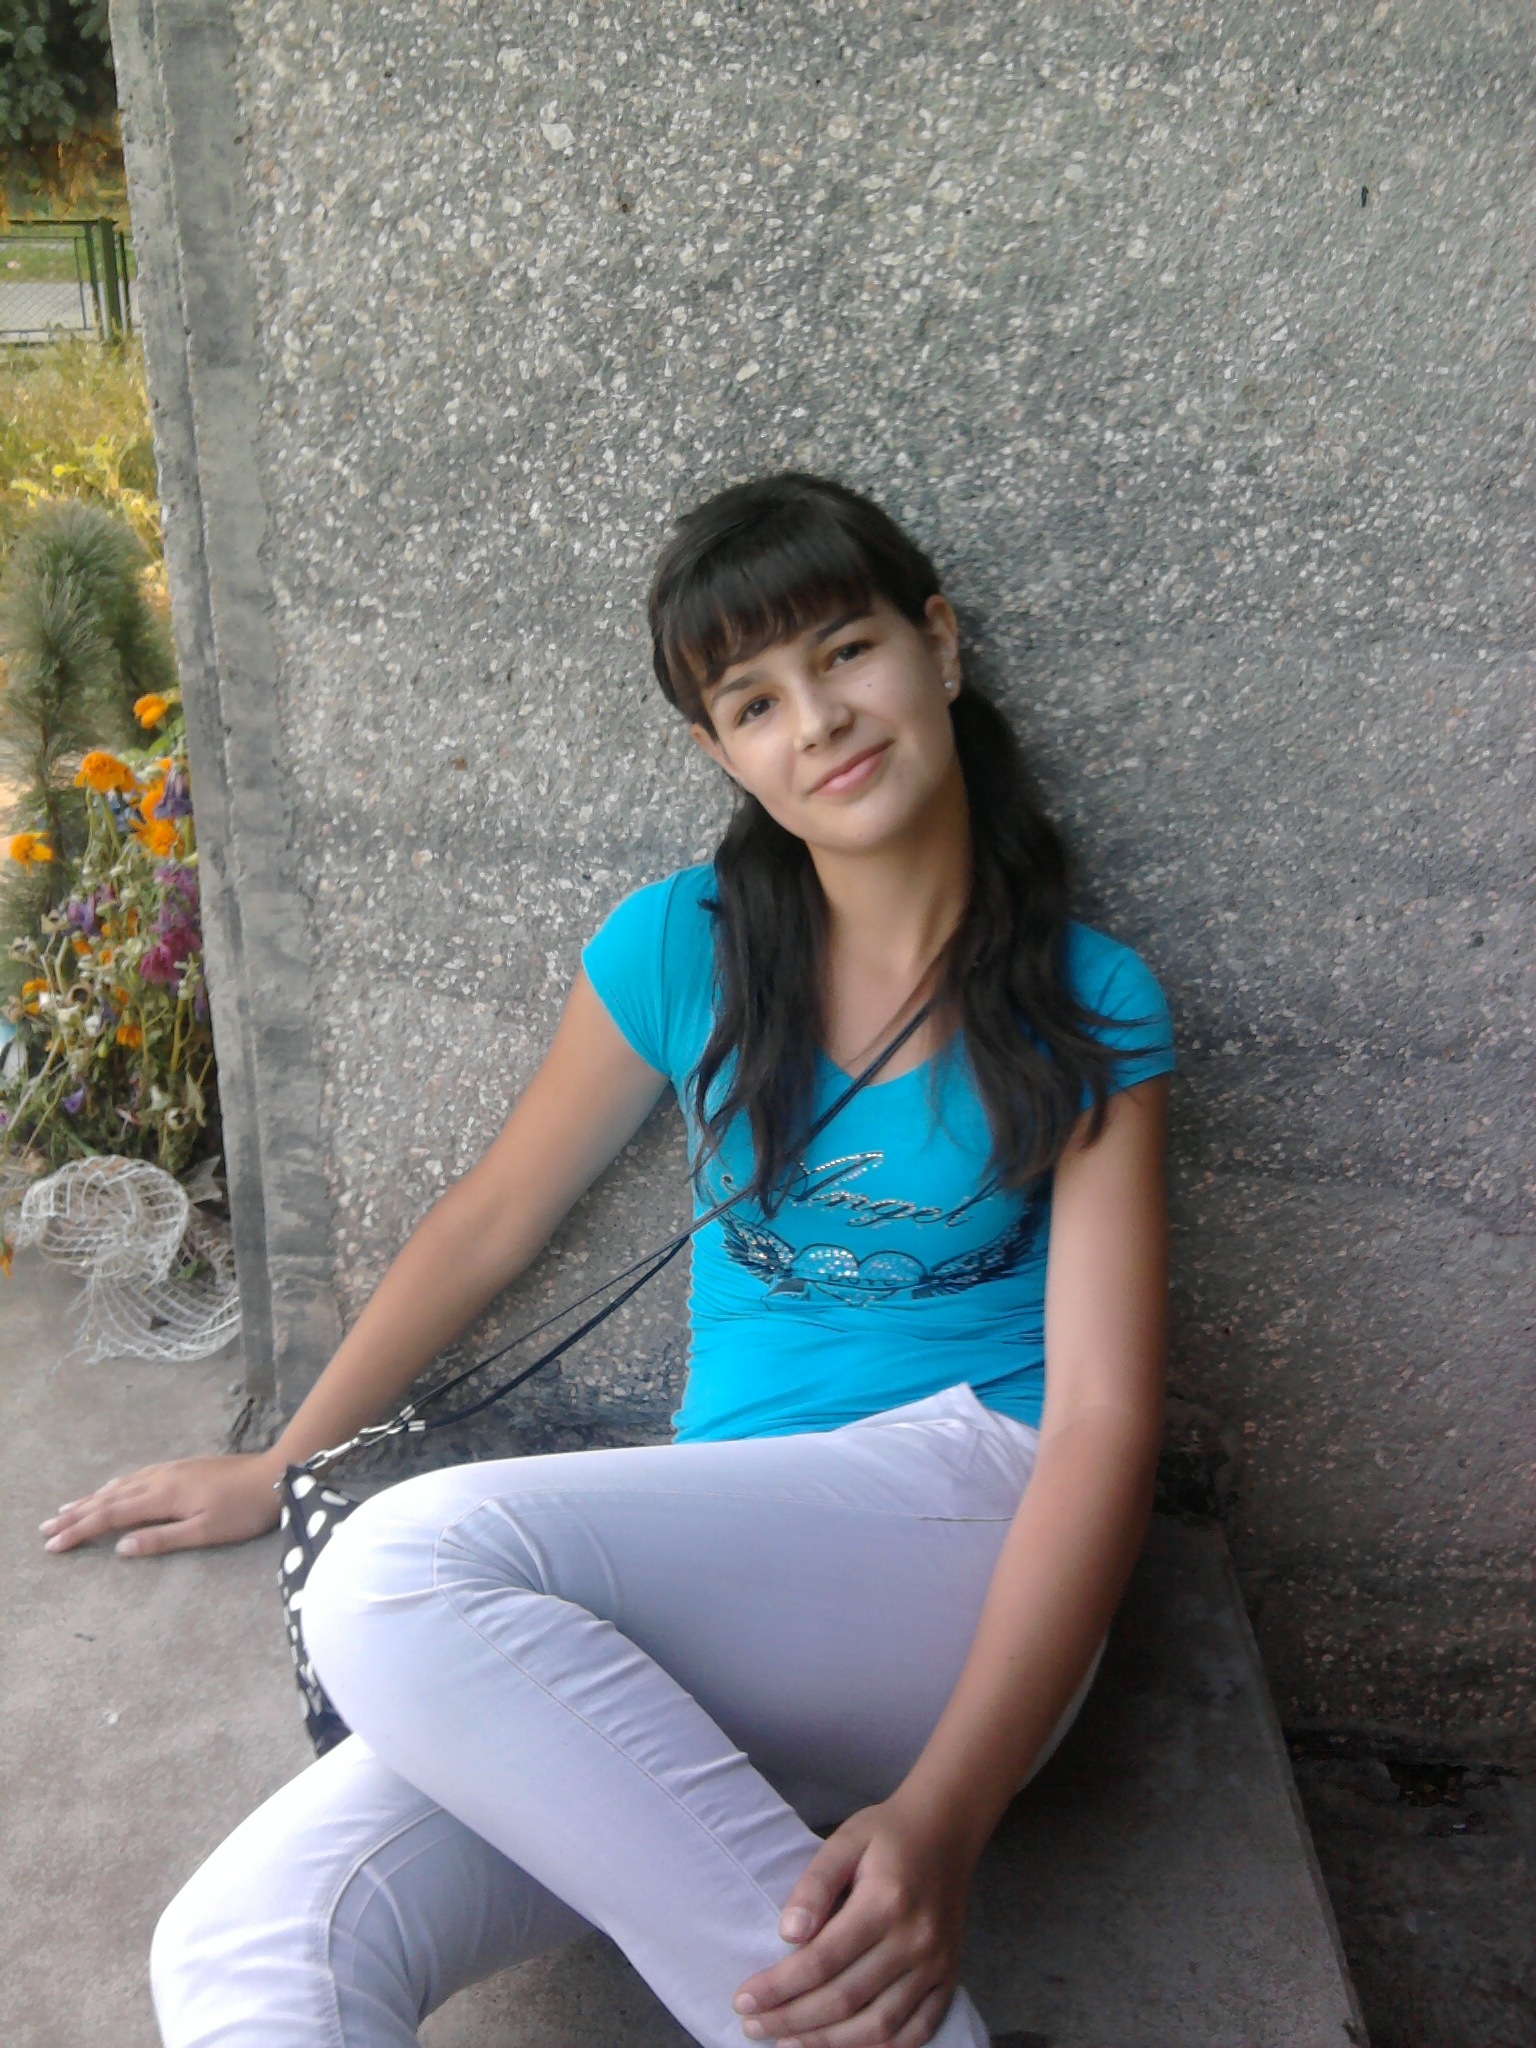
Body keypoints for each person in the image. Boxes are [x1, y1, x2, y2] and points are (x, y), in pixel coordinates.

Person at [41, 471, 1175, 2048]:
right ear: (719, 752)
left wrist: (947, 1815)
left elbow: (1108, 1422)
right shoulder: (684, 945)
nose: (819, 722)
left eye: (848, 653)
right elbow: (495, 1215)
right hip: (722, 1571)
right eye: (755, 701)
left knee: (399, 1568)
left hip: (970, 1546)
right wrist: (281, 1460)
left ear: (939, 645)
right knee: (247, 1942)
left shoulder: (1086, 1000)